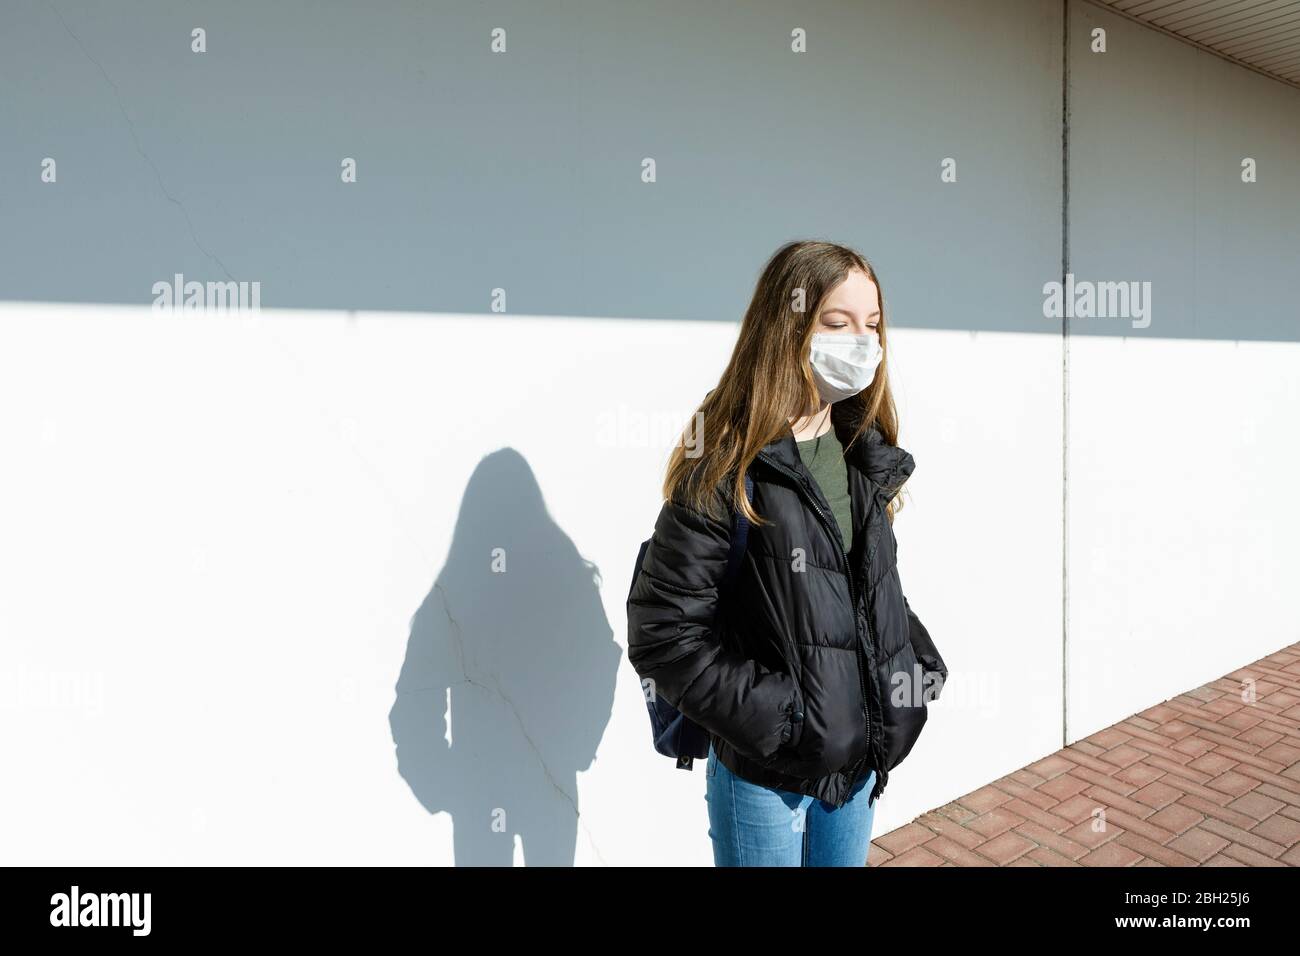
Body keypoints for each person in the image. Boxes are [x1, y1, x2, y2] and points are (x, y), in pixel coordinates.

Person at [627, 239, 947, 866]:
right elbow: (664, 633)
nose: (862, 342)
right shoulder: (724, 464)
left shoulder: (863, 451)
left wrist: (914, 671)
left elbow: (866, 589)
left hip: (857, 768)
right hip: (765, 781)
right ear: (788, 328)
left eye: (872, 324)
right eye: (838, 323)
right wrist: (788, 719)